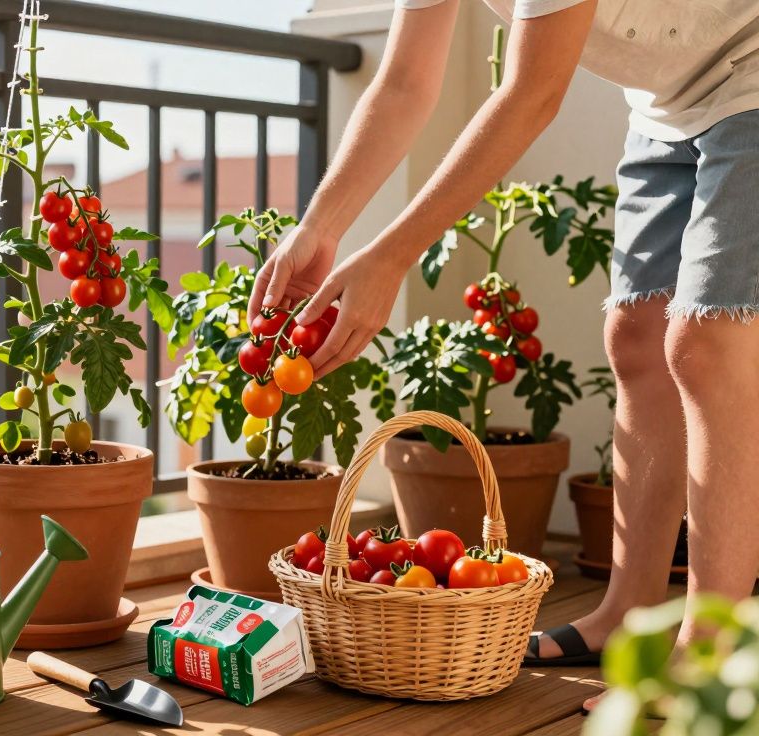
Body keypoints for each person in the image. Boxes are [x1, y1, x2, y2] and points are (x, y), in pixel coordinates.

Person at [250, 0, 759, 711]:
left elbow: (531, 94)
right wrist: (320, 227)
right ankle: (628, 612)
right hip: (667, 103)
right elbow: (404, 83)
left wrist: (392, 255)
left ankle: (712, 655)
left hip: (750, 71)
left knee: (705, 343)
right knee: (636, 337)